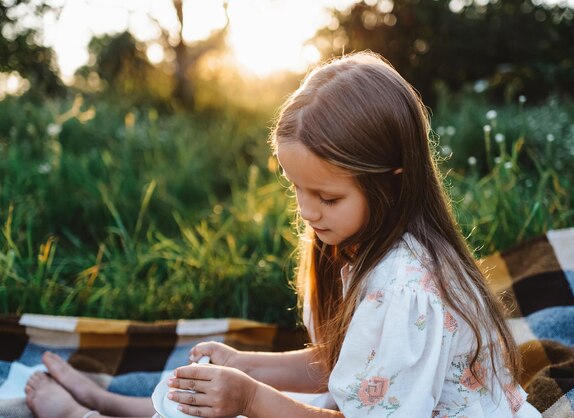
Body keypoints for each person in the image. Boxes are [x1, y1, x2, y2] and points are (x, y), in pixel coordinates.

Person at [25, 51, 541, 418]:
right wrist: (243, 364)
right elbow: (350, 369)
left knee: (238, 409)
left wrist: (251, 397)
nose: (308, 212)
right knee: (215, 398)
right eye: (297, 188)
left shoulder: (407, 287)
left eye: (328, 197)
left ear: (393, 178)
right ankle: (118, 405)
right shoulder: (369, 243)